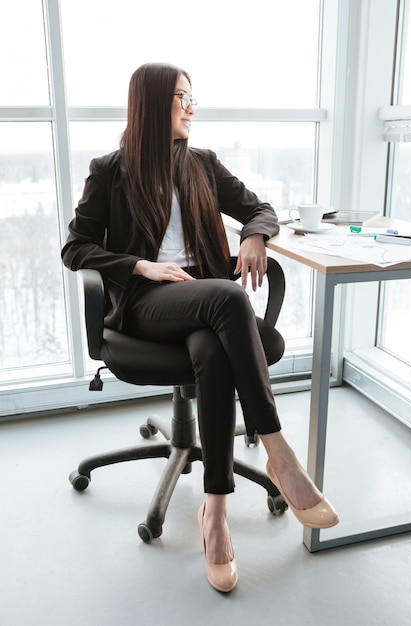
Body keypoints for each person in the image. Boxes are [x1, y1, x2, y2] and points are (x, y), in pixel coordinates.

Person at [62, 62, 339, 593]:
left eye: (194, 98)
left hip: (206, 301)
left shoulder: (204, 165)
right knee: (229, 297)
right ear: (151, 103)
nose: (192, 107)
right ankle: (279, 454)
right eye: (182, 98)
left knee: (213, 352)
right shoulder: (110, 170)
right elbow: (75, 249)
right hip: (147, 302)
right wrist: (139, 266)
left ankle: (214, 516)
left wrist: (255, 234)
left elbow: (258, 208)